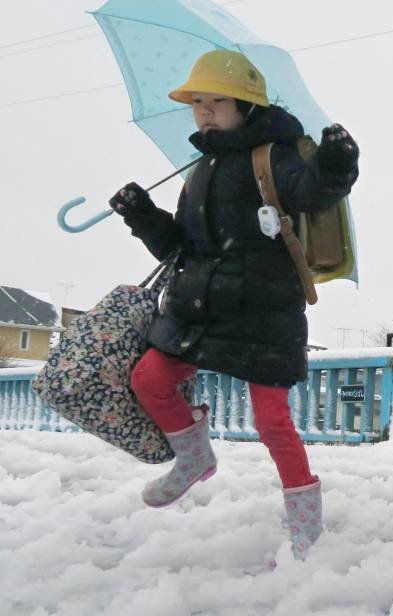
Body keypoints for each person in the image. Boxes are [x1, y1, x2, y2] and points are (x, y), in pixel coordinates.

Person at [108, 50, 359, 559]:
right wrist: (142, 215)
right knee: (150, 379)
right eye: (196, 103)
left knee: (272, 422)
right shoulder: (199, 168)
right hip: (200, 307)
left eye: (215, 101)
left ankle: (305, 520)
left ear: (244, 104)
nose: (203, 112)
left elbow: (311, 194)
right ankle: (194, 457)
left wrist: (336, 164)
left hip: (264, 310)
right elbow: (180, 245)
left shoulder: (274, 155)